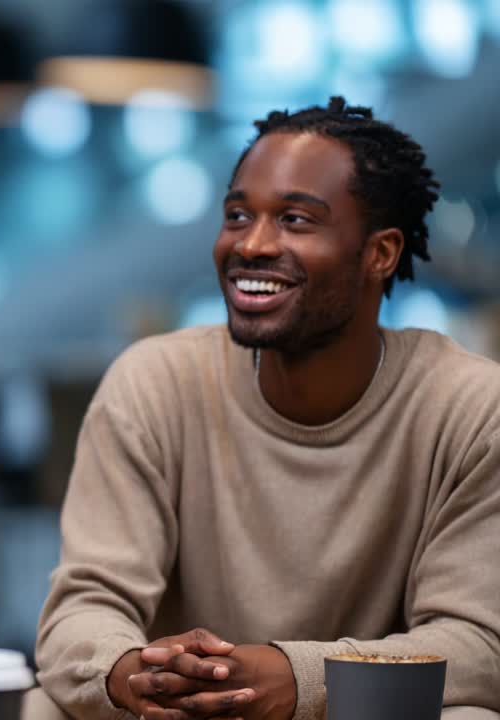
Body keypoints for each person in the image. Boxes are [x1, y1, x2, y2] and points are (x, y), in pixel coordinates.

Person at [27, 97, 500, 720]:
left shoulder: (470, 406)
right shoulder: (154, 381)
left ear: (381, 254)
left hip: (352, 713)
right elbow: (82, 609)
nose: (251, 244)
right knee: (40, 707)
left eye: (296, 220)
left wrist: (297, 678)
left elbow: (476, 649)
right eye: (237, 215)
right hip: (179, 712)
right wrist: (131, 676)